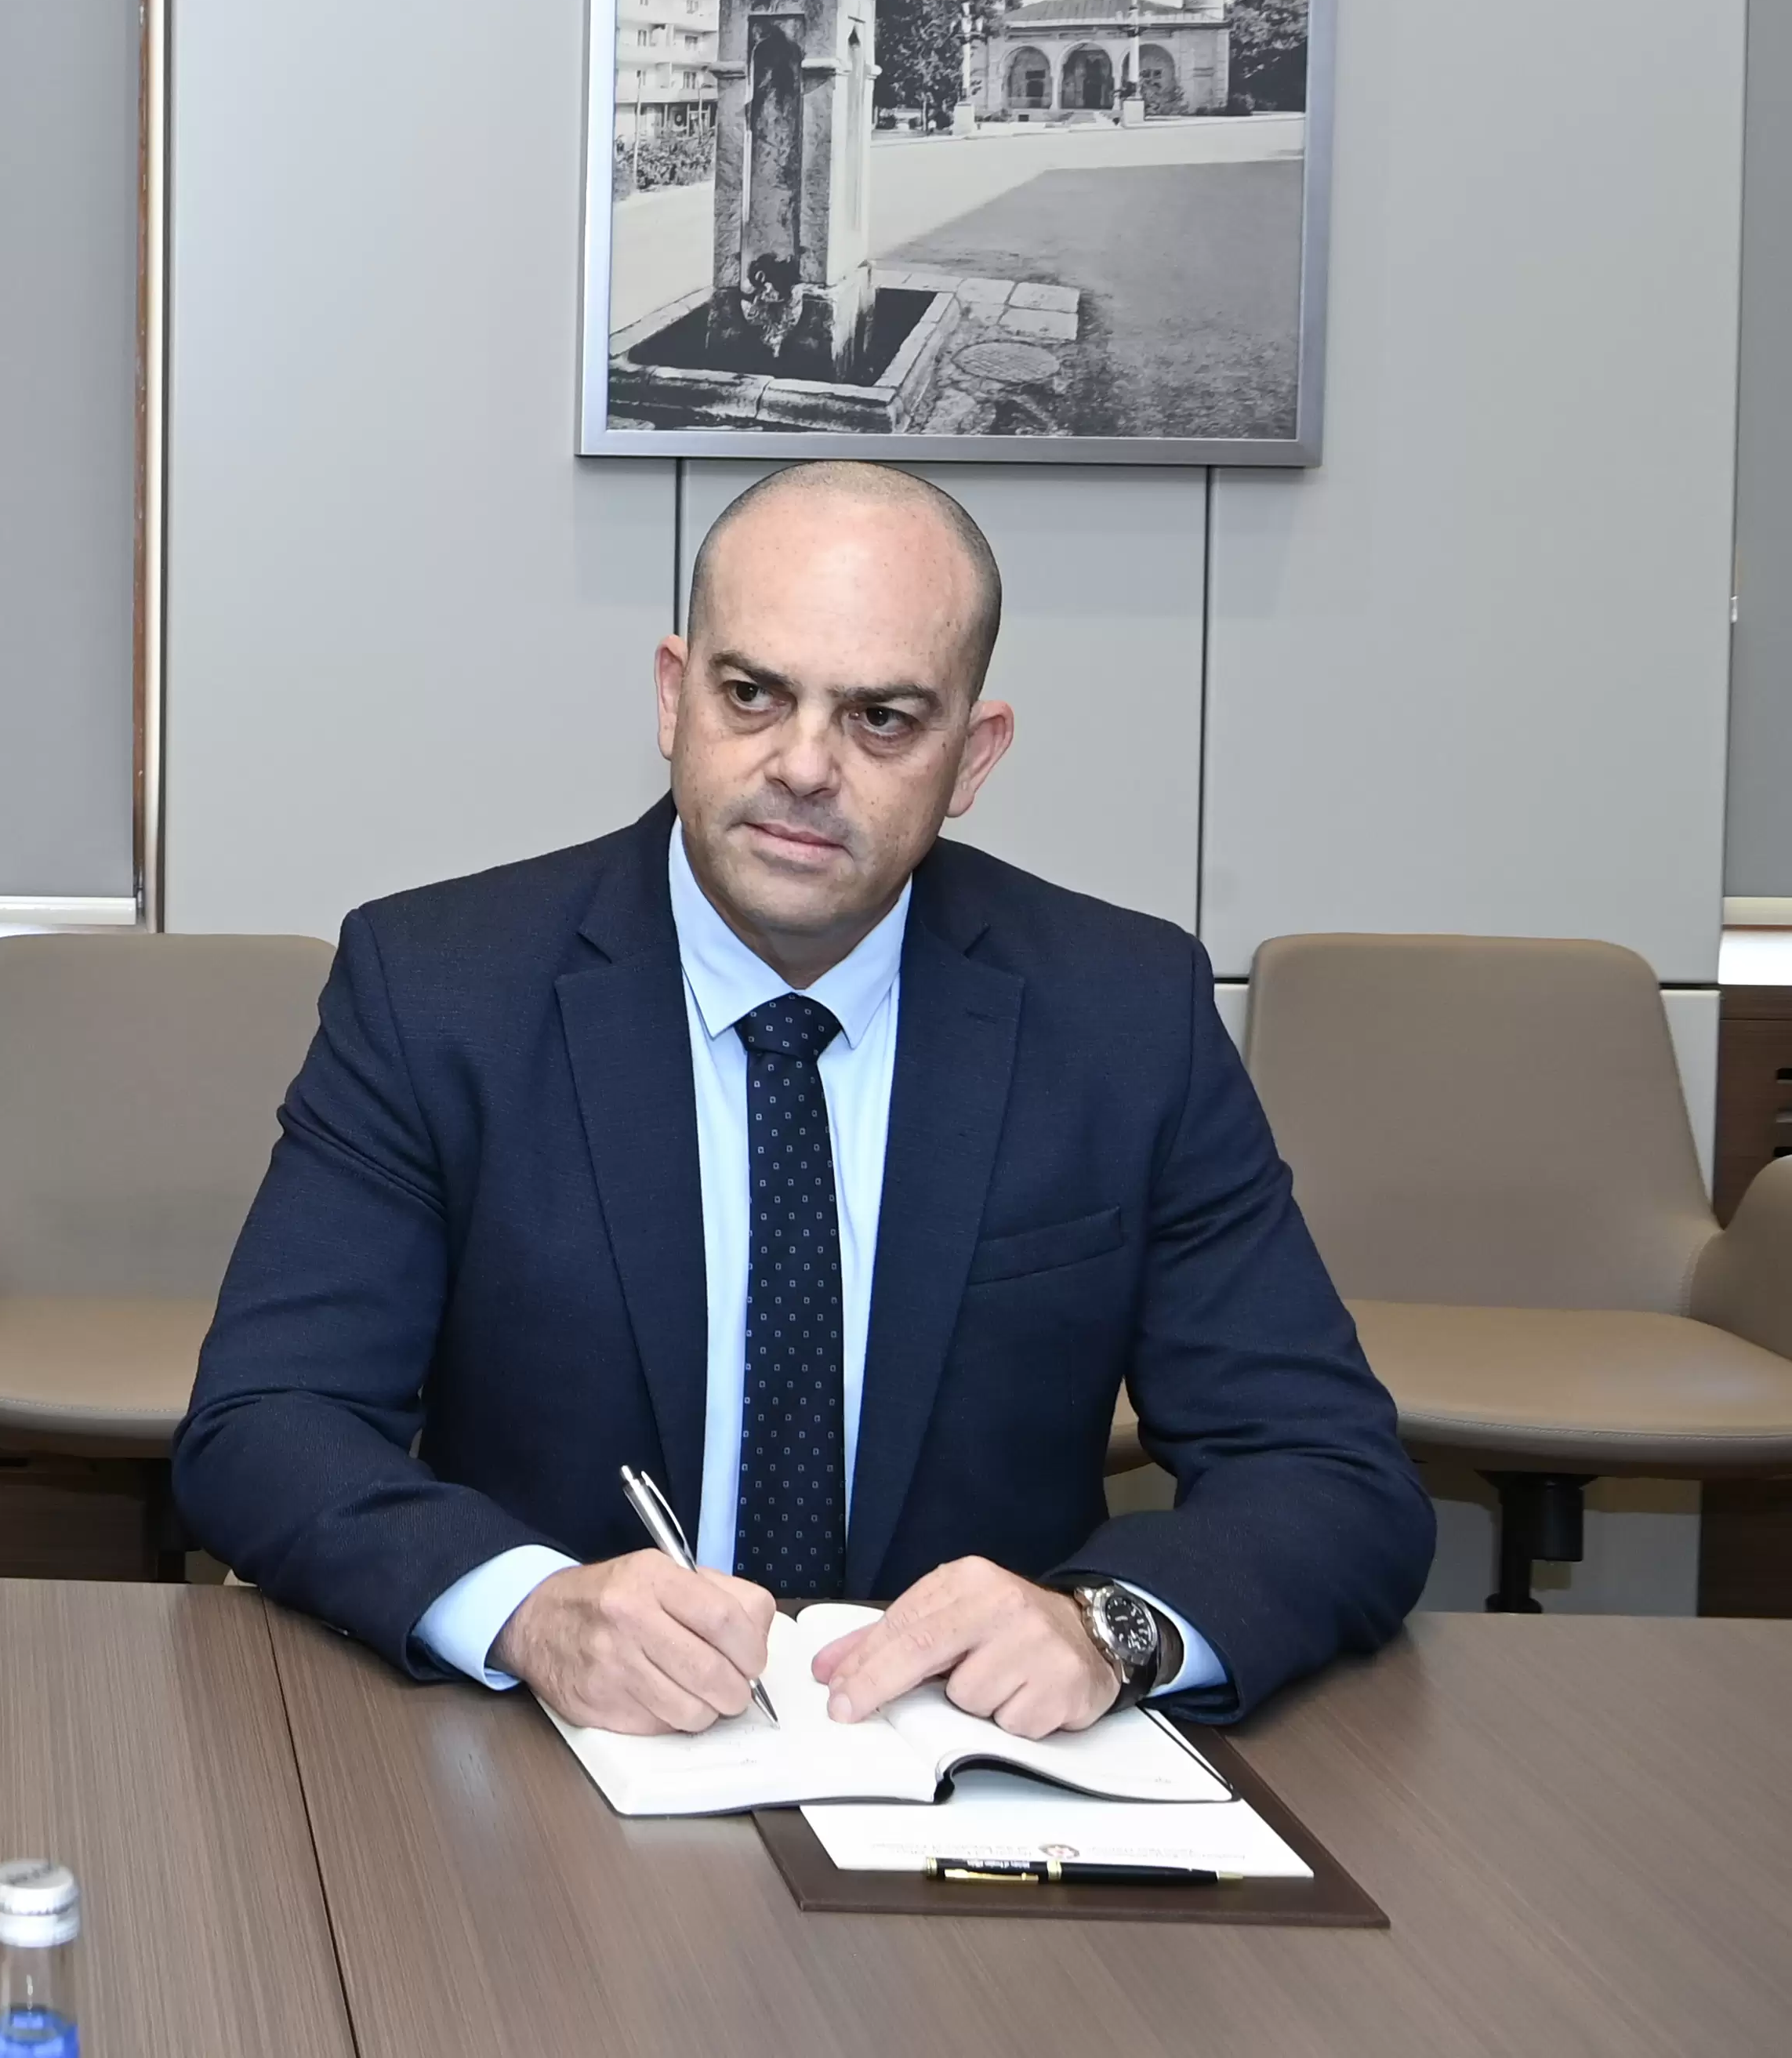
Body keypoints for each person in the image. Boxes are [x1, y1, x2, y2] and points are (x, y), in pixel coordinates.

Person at [176, 461, 1429, 1736]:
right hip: (553, 1746)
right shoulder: (441, 990)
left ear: (973, 755)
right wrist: (530, 1611)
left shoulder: (1123, 1017)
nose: (805, 765)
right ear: (673, 697)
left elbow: (1330, 1471)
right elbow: (269, 1419)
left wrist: (1107, 1629)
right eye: (752, 694)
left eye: (882, 718)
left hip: (970, 1766)